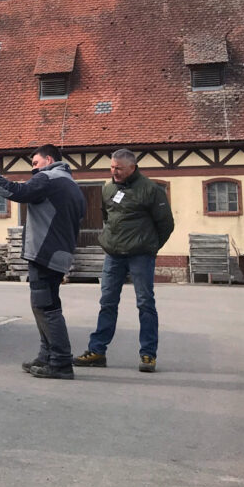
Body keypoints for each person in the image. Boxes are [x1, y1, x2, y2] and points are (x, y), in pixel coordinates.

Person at [0, 145, 85, 380]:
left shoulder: (50, 179)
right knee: (44, 306)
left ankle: (61, 363)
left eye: (35, 163)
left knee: (47, 308)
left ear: (48, 159)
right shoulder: (71, 183)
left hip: (45, 253)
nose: (33, 169)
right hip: (59, 252)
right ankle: (46, 356)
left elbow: (15, 191)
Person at [74, 148, 174, 373]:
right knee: (107, 302)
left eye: (118, 168)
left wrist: (150, 247)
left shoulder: (150, 190)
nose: (114, 172)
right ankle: (97, 350)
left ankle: (148, 354)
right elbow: (107, 216)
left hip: (141, 255)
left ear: (132, 167)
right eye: (111, 167)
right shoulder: (108, 188)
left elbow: (166, 224)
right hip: (114, 255)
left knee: (145, 303)